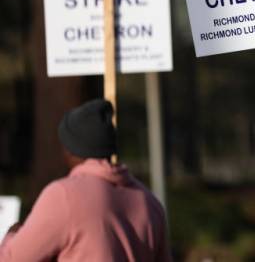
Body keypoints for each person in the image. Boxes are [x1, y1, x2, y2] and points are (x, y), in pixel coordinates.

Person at [0, 99, 171, 261]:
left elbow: (13, 259)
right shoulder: (150, 202)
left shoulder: (63, 196)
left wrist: (12, 236)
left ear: (70, 150)